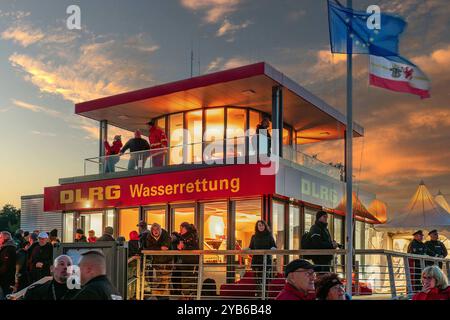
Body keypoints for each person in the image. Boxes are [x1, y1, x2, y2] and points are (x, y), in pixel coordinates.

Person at [143, 223, 172, 299]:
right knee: (159, 280)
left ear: (160, 230)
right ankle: (160, 296)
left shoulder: (165, 235)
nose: (155, 231)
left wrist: (155, 248)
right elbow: (149, 247)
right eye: (153, 229)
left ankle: (165, 297)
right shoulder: (149, 237)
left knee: (165, 280)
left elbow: (166, 247)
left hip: (167, 261)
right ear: (151, 230)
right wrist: (159, 248)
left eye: (157, 229)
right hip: (156, 262)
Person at [248, 220, 276, 297]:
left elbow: (274, 246)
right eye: (259, 225)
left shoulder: (269, 236)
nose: (261, 227)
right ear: (257, 227)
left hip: (267, 262)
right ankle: (259, 297)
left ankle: (265, 297)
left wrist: (273, 249)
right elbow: (251, 247)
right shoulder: (254, 237)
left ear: (265, 226)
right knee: (257, 281)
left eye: (262, 225)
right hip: (256, 262)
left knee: (266, 281)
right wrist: (246, 250)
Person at [172, 222, 199, 298]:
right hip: (185, 261)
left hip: (191, 261)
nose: (180, 230)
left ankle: (189, 296)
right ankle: (186, 295)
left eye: (182, 228)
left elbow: (194, 247)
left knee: (189, 279)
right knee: (185, 279)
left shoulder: (192, 236)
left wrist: (183, 247)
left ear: (186, 228)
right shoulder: (183, 237)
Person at [0, 231, 17, 298]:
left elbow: (6, 265)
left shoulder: (9, 248)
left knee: (6, 295)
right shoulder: (4, 248)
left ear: (6, 238)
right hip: (4, 278)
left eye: (0, 237)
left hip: (7, 279)